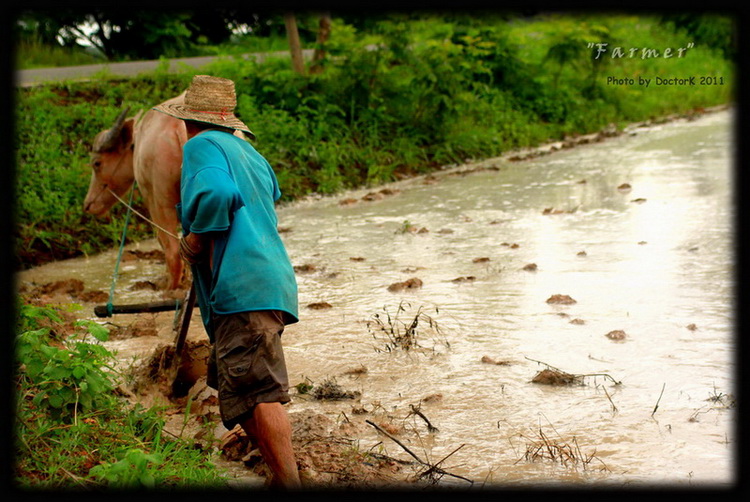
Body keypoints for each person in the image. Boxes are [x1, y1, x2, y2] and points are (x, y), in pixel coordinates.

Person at [153, 75, 301, 489]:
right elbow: (269, 195)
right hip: (270, 280)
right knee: (241, 392)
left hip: (241, 287)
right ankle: (278, 475)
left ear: (185, 122)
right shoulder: (250, 153)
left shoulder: (199, 146)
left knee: (261, 392)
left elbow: (218, 193)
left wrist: (196, 240)